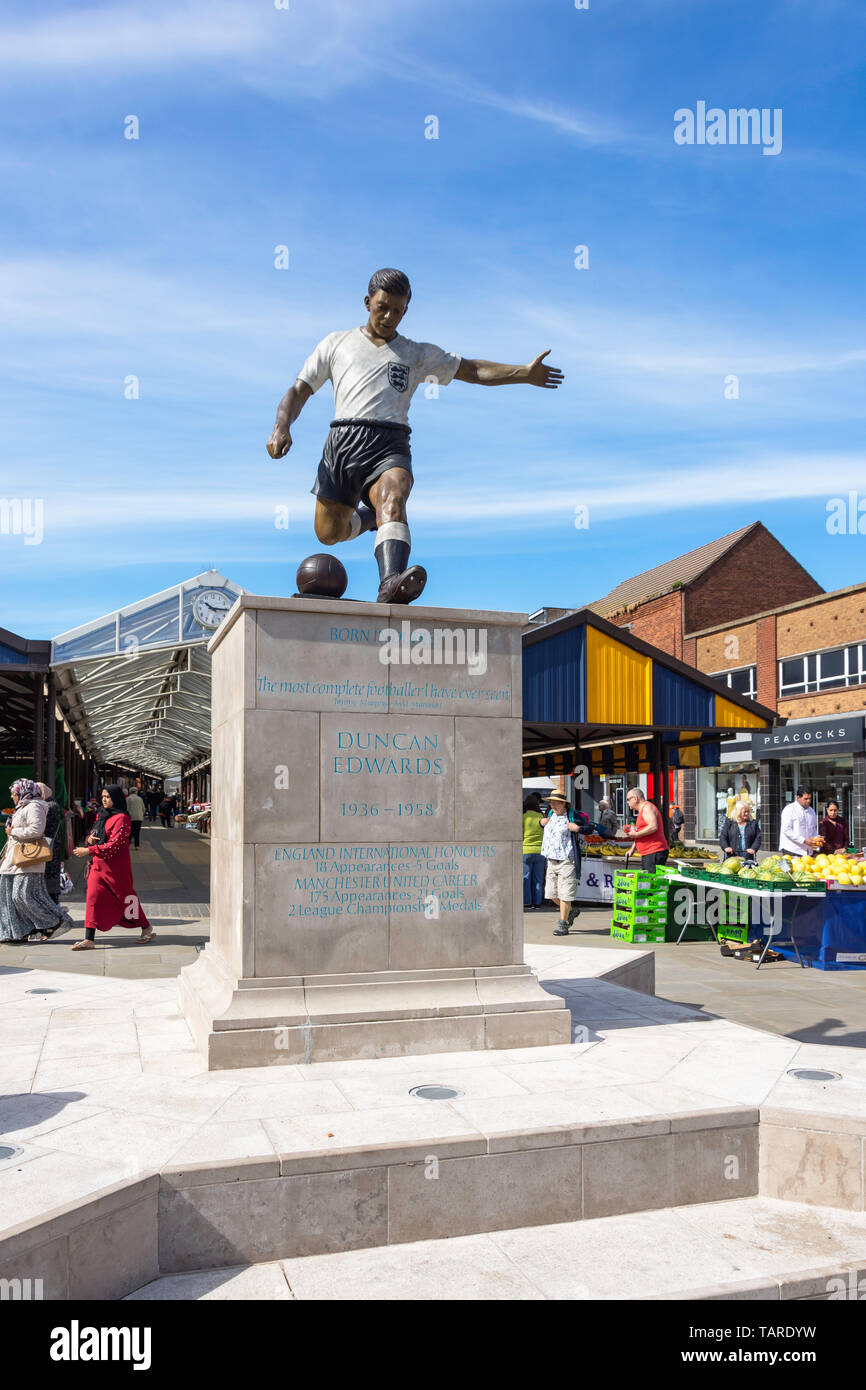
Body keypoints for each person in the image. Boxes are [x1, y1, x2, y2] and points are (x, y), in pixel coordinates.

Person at [266, 268, 564, 604]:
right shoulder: (336, 343)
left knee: (394, 495)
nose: (390, 316)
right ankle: (368, 518)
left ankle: (390, 583)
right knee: (328, 533)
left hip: (390, 441)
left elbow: (473, 370)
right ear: (367, 302)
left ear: (406, 310)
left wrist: (524, 373)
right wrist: (281, 426)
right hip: (343, 442)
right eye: (383, 307)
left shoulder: (416, 353)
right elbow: (299, 389)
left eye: (398, 310)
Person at [70, 785, 154, 950]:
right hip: (97, 866)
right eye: (102, 796)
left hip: (116, 868)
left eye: (108, 796)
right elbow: (94, 834)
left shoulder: (122, 818)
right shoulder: (101, 815)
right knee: (92, 898)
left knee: (126, 899)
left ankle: (145, 927)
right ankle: (89, 939)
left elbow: (114, 845)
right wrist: (90, 840)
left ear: (116, 798)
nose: (104, 799)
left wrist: (88, 849)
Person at [0, 779, 74, 943]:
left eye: (14, 793)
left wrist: (13, 831)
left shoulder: (35, 806)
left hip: (29, 857)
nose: (12, 797)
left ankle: (54, 920)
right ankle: (14, 932)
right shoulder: (23, 806)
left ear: (23, 792)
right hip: (15, 857)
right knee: (8, 898)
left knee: (21, 896)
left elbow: (36, 830)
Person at [540, 789, 582, 936]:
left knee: (565, 895)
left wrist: (578, 828)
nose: (552, 805)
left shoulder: (572, 816)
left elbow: (590, 827)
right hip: (551, 860)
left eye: (555, 802)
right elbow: (547, 829)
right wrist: (541, 822)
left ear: (563, 803)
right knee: (551, 894)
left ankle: (563, 924)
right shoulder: (549, 815)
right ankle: (572, 910)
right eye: (550, 802)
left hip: (566, 860)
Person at [623, 787, 669, 871]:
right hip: (650, 852)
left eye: (628, 799)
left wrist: (636, 834)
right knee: (648, 880)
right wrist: (632, 849)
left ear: (635, 798)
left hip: (654, 851)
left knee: (651, 880)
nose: (627, 802)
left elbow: (653, 827)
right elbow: (642, 831)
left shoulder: (647, 808)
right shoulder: (643, 810)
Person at [34, 781, 65, 903]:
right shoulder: (51, 804)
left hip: (48, 845)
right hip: (51, 844)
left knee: (49, 873)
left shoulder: (50, 806)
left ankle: (51, 902)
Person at [779, 786, 822, 859]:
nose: (808, 801)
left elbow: (813, 828)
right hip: (792, 849)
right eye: (806, 799)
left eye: (810, 799)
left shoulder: (811, 811)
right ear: (798, 798)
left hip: (807, 851)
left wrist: (816, 838)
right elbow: (786, 830)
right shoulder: (789, 809)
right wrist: (803, 840)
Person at [522, 793, 545, 911]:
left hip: (525, 850)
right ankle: (537, 903)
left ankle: (527, 902)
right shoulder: (541, 817)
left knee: (526, 877)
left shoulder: (523, 817)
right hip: (540, 851)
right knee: (538, 879)